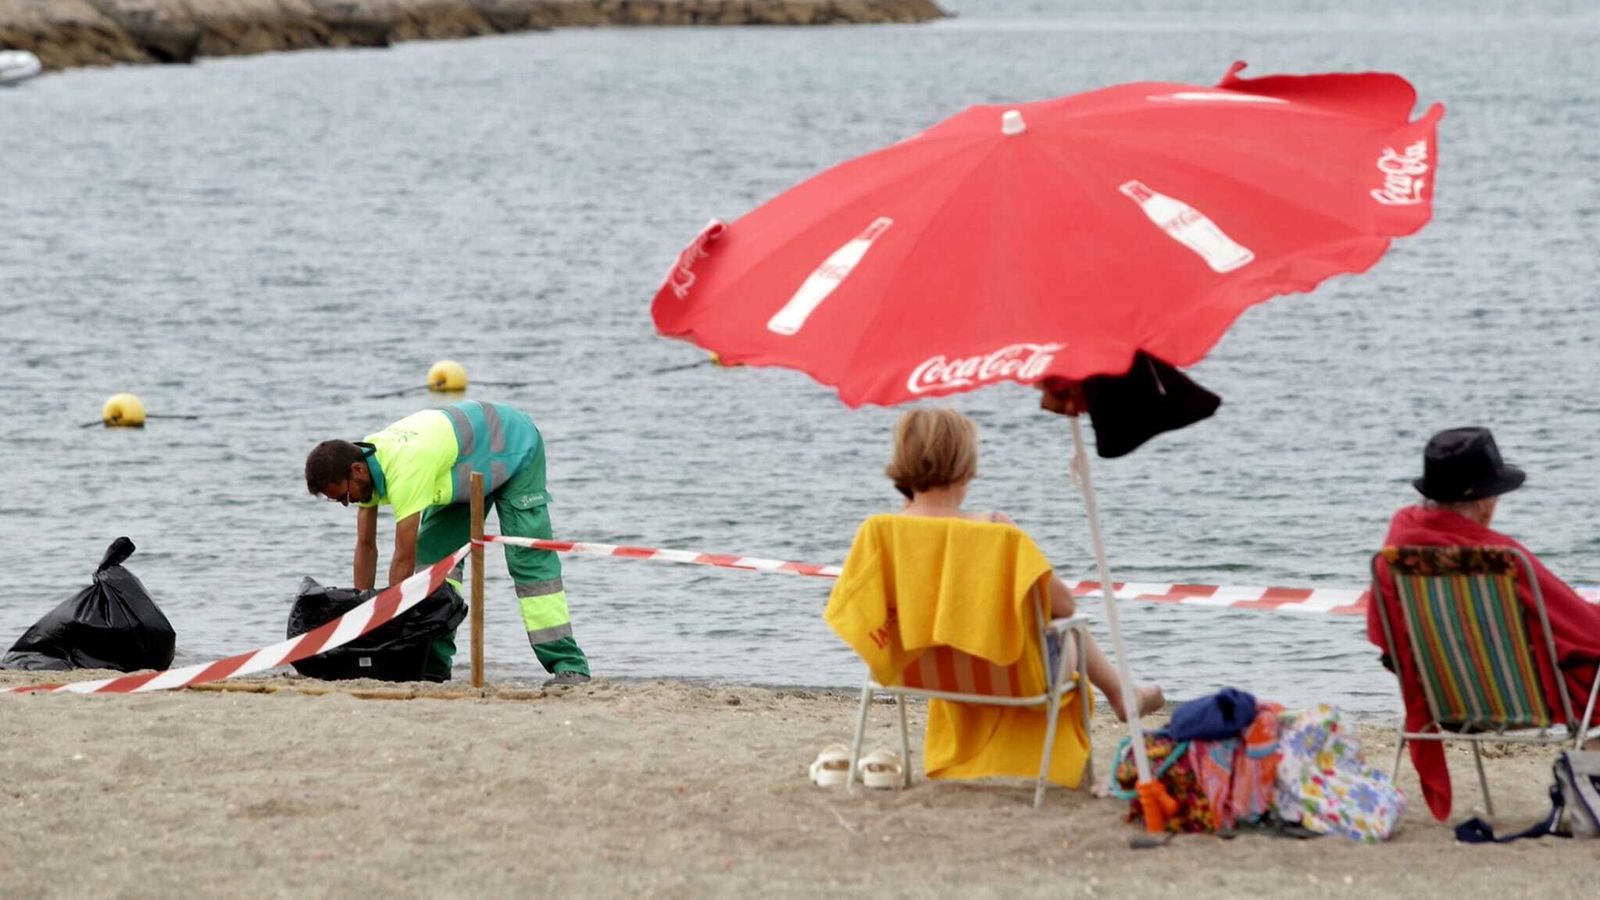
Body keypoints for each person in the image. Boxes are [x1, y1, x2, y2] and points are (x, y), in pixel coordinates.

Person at [1368, 426, 1600, 816]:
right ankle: (1588, 768)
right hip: (1529, 699)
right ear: (1482, 503)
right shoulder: (1502, 559)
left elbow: (1389, 645)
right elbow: (1585, 630)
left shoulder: (1397, 552)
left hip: (1446, 698)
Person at [884, 407, 1164, 722]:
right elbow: (1065, 604)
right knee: (1070, 626)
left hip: (910, 672)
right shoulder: (995, 528)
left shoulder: (882, 532)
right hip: (1011, 677)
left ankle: (1125, 693)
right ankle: (1122, 693)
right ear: (965, 467)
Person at [305, 400, 590, 687]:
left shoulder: (405, 469)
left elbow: (403, 555)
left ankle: (569, 666)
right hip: (464, 468)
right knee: (434, 564)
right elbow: (366, 547)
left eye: (344, 496)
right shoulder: (365, 461)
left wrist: (390, 626)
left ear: (357, 470)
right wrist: (363, 612)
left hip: (513, 446)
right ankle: (433, 667)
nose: (346, 504)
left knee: (528, 561)